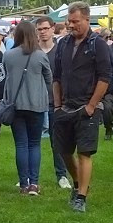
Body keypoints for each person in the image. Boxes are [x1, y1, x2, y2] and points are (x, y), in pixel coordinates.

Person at [51, 2, 112, 213]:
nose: (71, 25)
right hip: (65, 107)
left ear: (87, 19)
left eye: (76, 22)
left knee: (84, 153)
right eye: (69, 21)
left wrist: (92, 105)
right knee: (64, 151)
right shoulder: (63, 44)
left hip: (88, 107)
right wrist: (57, 105)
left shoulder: (98, 45)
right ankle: (78, 184)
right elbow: (56, 77)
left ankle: (81, 197)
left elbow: (105, 77)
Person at [2, 21, 53, 195]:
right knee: (34, 144)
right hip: (36, 105)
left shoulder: (8, 55)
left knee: (21, 145)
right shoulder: (40, 56)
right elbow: (49, 79)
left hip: (15, 106)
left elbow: (7, 77)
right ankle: (34, 183)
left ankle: (24, 183)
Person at [35, 16, 72, 190]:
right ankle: (31, 177)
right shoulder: (33, 51)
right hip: (34, 102)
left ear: (52, 29)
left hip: (55, 102)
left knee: (57, 141)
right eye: (39, 29)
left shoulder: (60, 51)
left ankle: (62, 175)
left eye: (45, 28)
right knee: (32, 141)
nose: (42, 32)